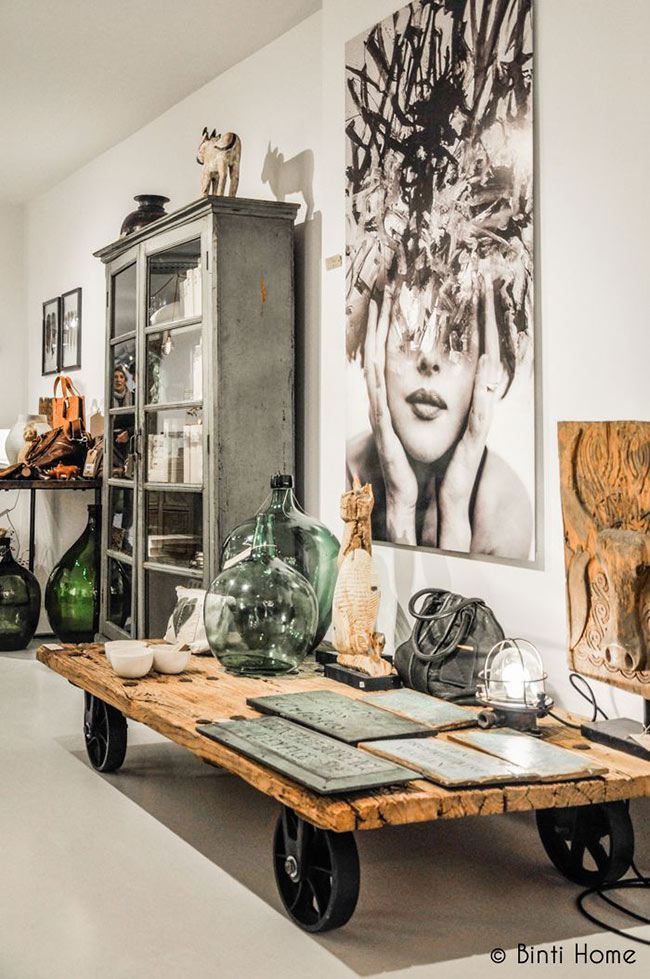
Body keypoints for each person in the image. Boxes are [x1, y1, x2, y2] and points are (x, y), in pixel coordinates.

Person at [346, 266, 533, 560]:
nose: (430, 358)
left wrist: (455, 514)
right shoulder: (338, 478)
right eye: (409, 328)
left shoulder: (504, 508)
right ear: (373, 344)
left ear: (488, 362)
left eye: (456, 336)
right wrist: (399, 506)